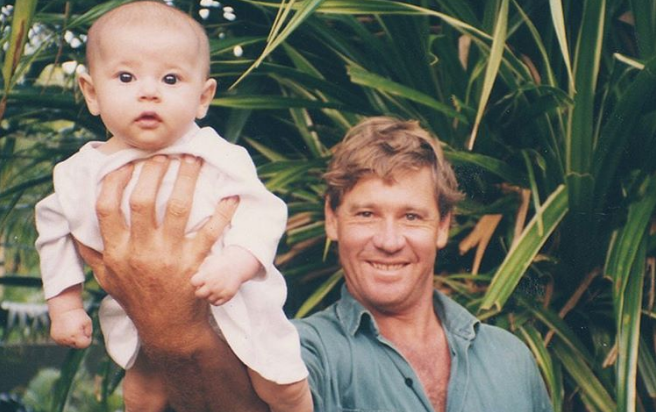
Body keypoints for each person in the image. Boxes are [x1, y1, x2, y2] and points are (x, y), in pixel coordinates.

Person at [78, 117, 554, 412]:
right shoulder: (297, 352)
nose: (389, 241)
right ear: (332, 219)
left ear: (443, 226)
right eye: (366, 214)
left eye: (412, 217)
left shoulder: (511, 358)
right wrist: (169, 327)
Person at [33, 2, 310, 412]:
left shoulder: (218, 156)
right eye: (126, 77)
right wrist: (65, 304)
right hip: (140, 307)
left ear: (202, 97)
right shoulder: (79, 174)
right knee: (142, 394)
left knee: (282, 385)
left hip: (237, 300)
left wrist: (235, 264)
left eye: (170, 78)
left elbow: (262, 211)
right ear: (91, 92)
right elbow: (53, 232)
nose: (149, 91)